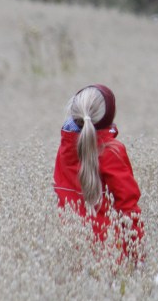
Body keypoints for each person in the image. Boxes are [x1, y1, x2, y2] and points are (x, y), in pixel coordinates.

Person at [53, 84, 144, 259]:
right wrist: (137, 258)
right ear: (108, 117)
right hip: (109, 256)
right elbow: (128, 209)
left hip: (69, 253)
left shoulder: (65, 149)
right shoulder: (112, 151)